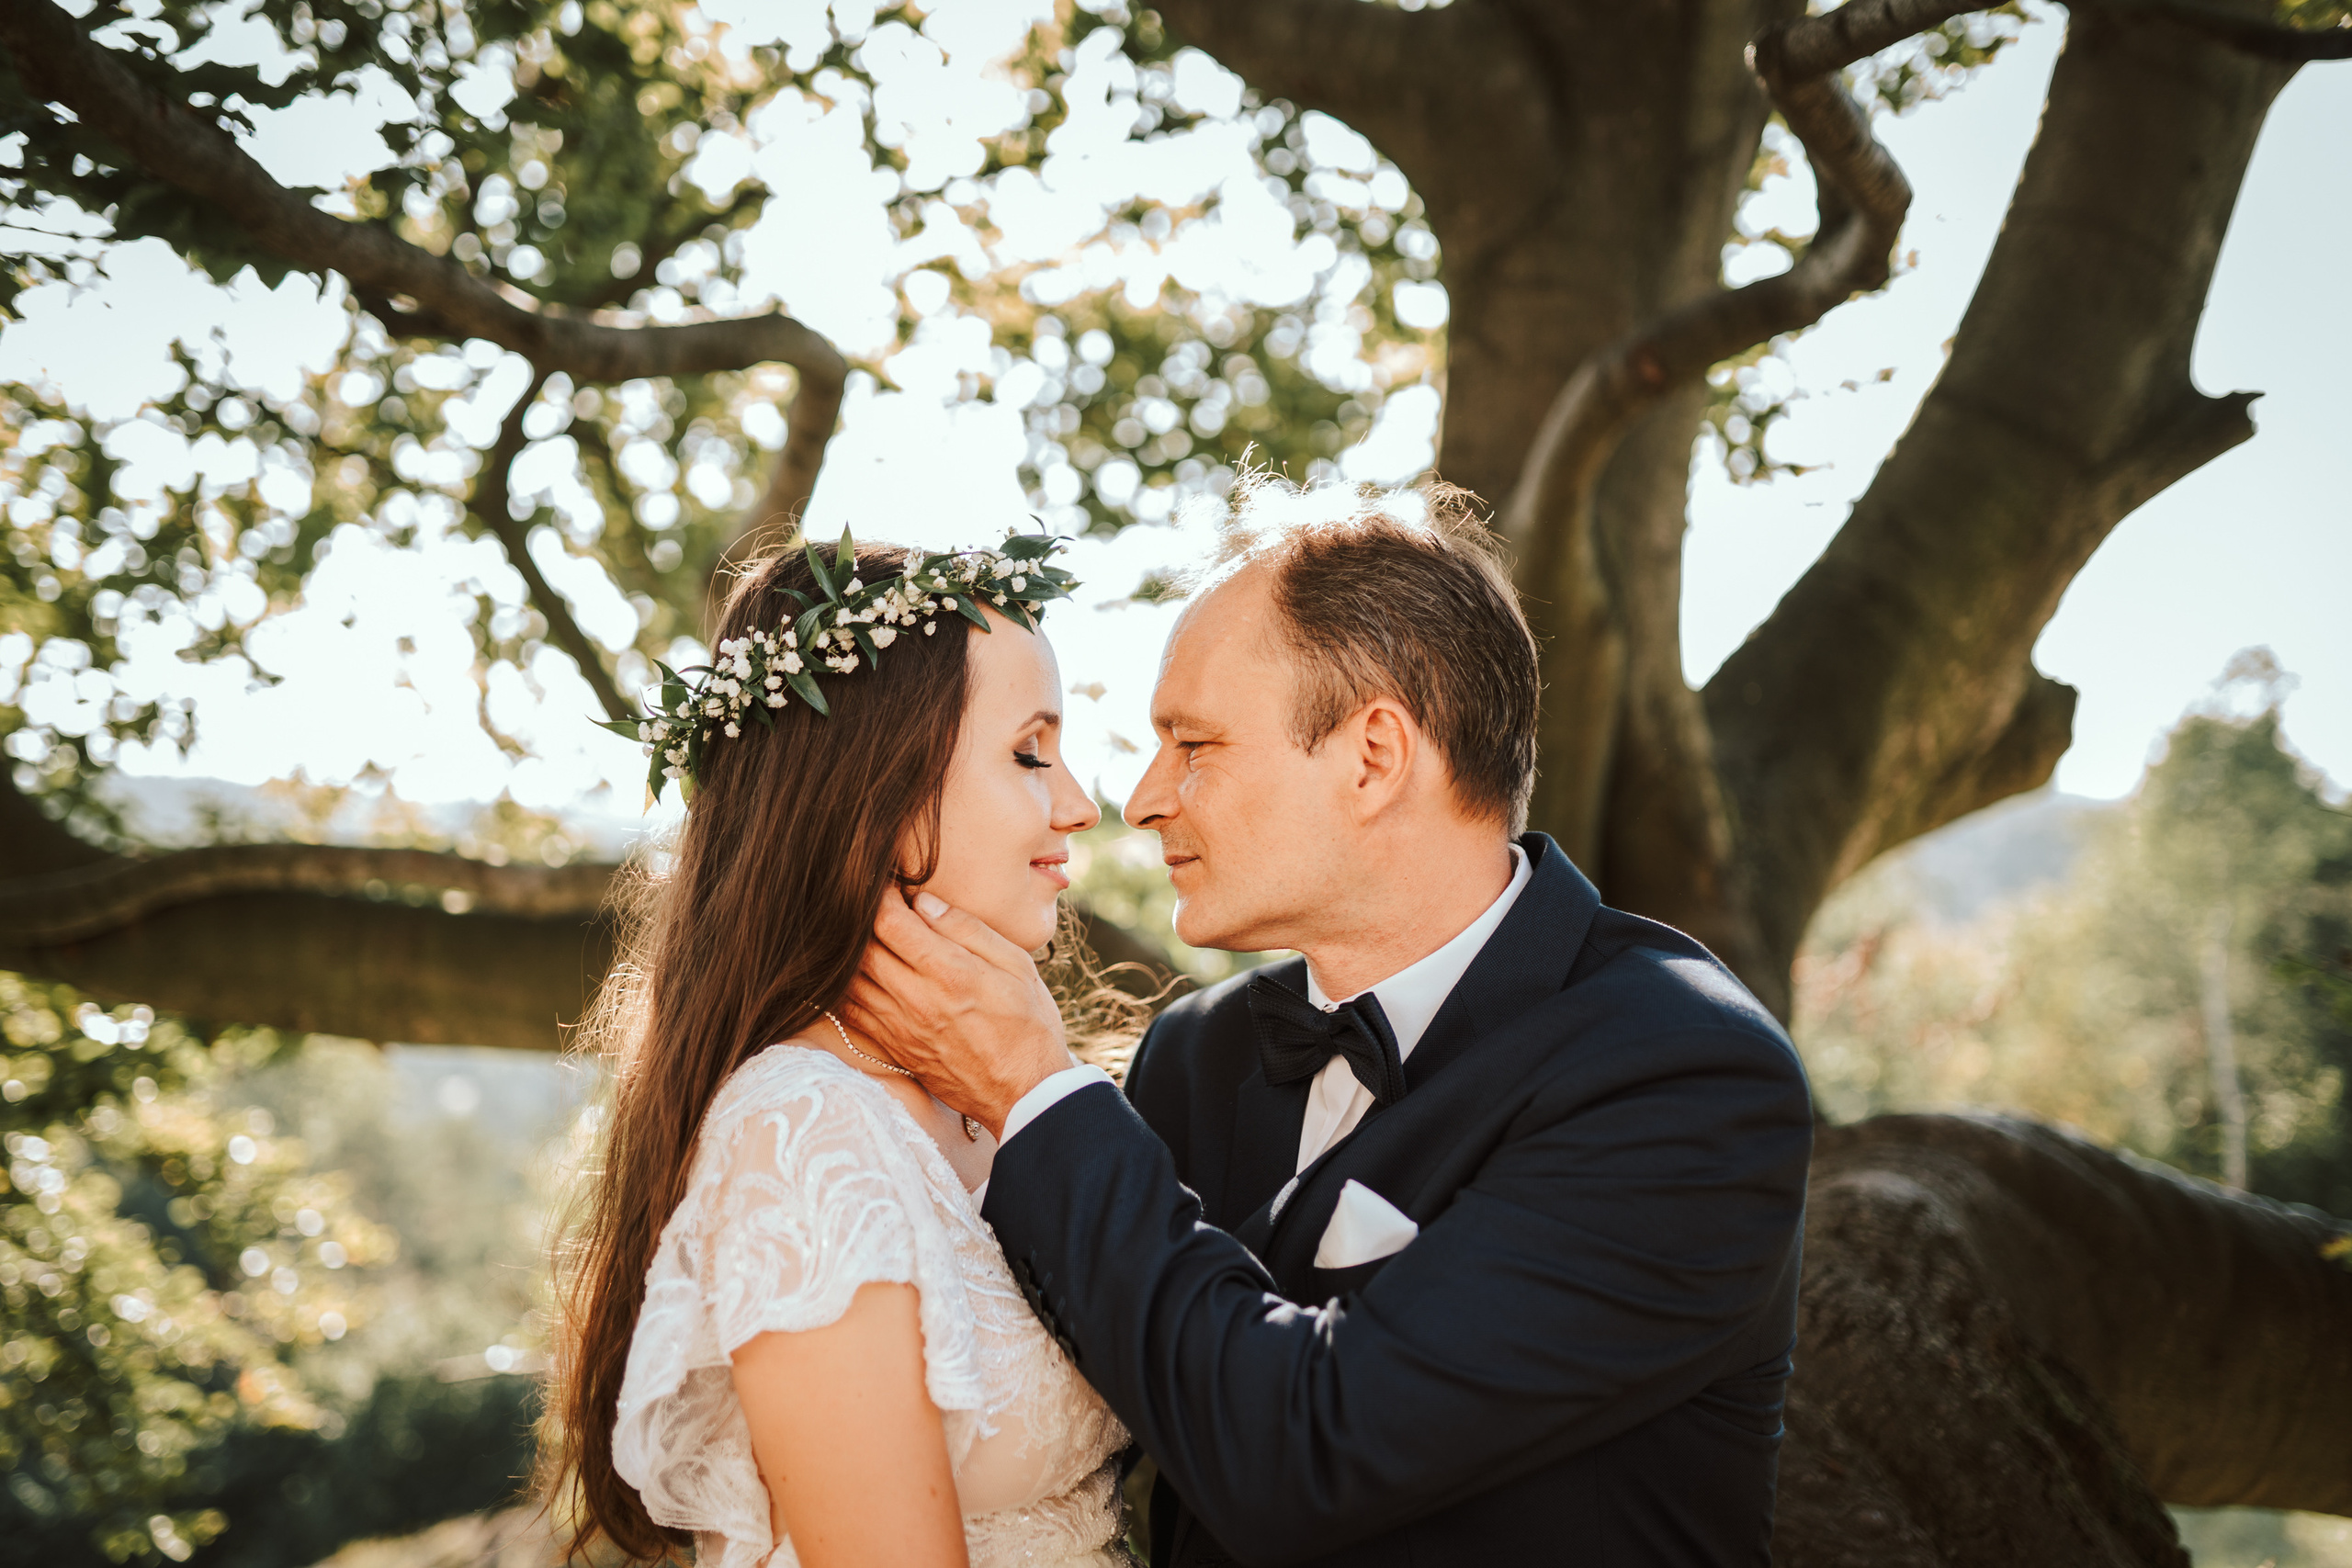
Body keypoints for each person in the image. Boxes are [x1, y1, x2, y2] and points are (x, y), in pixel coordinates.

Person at [846, 479, 1817, 1567]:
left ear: (1373, 756)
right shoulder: (1195, 1057)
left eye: (1193, 743)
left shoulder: (1682, 1077)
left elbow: (1304, 1455)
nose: (1143, 797)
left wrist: (1035, 1090)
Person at [544, 533, 1145, 1568]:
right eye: (1029, 752)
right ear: (883, 791)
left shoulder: (1002, 1095)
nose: (1081, 805)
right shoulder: (801, 1132)